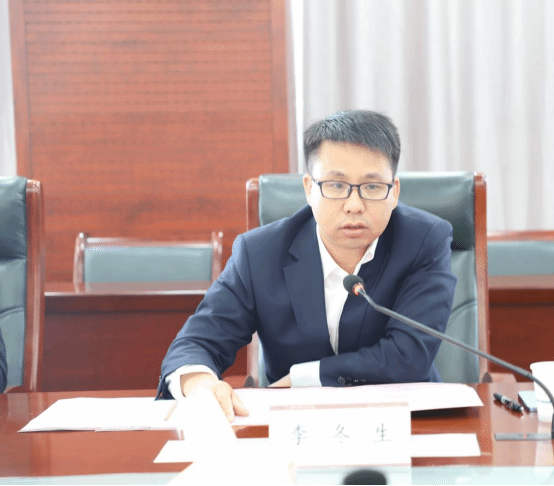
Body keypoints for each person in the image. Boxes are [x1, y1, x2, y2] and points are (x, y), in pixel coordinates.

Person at [158, 110, 457, 421]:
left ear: (394, 192)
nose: (354, 205)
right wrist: (198, 383)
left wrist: (307, 377)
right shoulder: (260, 253)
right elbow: (198, 340)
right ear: (308, 189)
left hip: (406, 422)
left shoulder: (424, 241)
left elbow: (408, 357)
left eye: (372, 187)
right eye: (336, 185)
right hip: (294, 423)